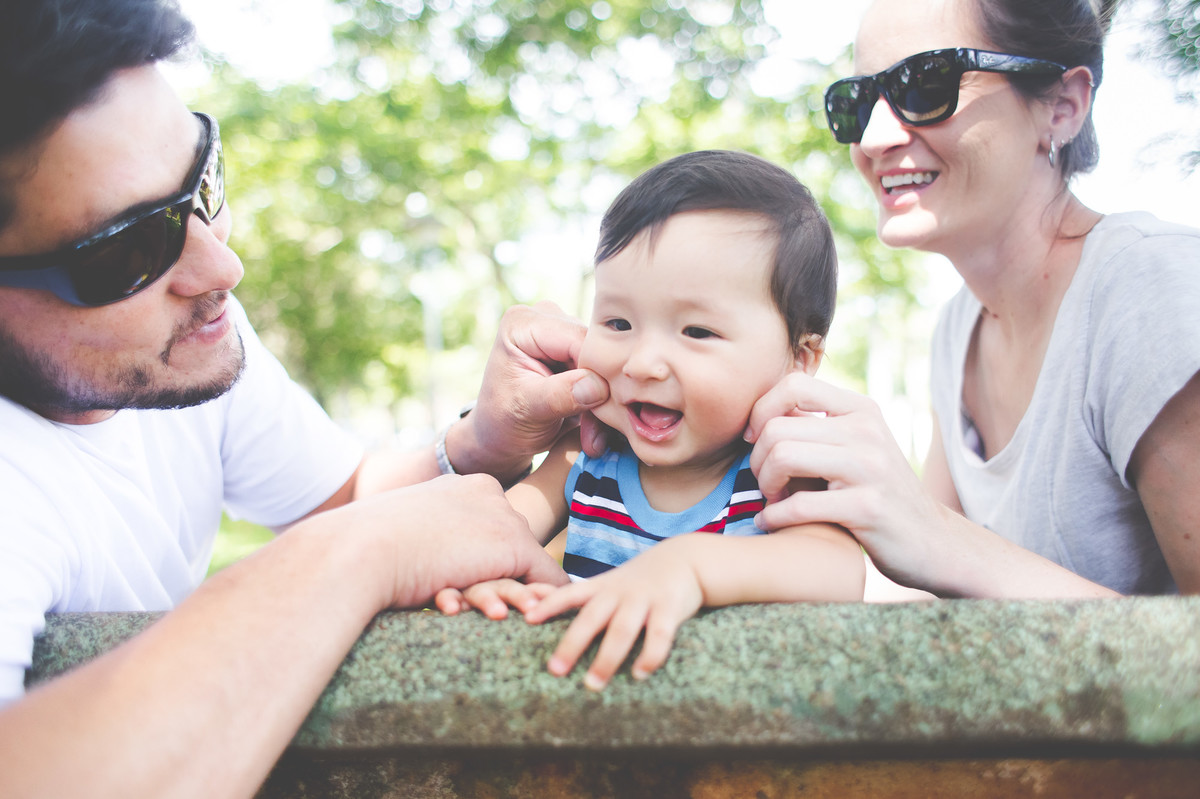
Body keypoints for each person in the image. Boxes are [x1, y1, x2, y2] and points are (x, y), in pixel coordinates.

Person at [0, 1, 611, 795]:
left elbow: (343, 495)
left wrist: (483, 442)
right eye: (130, 250)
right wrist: (361, 555)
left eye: (202, 184)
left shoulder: (184, 334)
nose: (222, 270)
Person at [745, 0, 1200, 599]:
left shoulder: (1155, 289)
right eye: (857, 102)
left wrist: (934, 533)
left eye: (928, 83)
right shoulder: (958, 328)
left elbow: (940, 543)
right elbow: (936, 590)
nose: (875, 137)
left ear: (1062, 107)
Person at [437, 151, 866, 690]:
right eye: (618, 322)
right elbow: (497, 529)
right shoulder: (588, 455)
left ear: (798, 360)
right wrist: (484, 574)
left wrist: (689, 567)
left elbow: (836, 568)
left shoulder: (778, 468)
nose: (642, 363)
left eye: (696, 332)